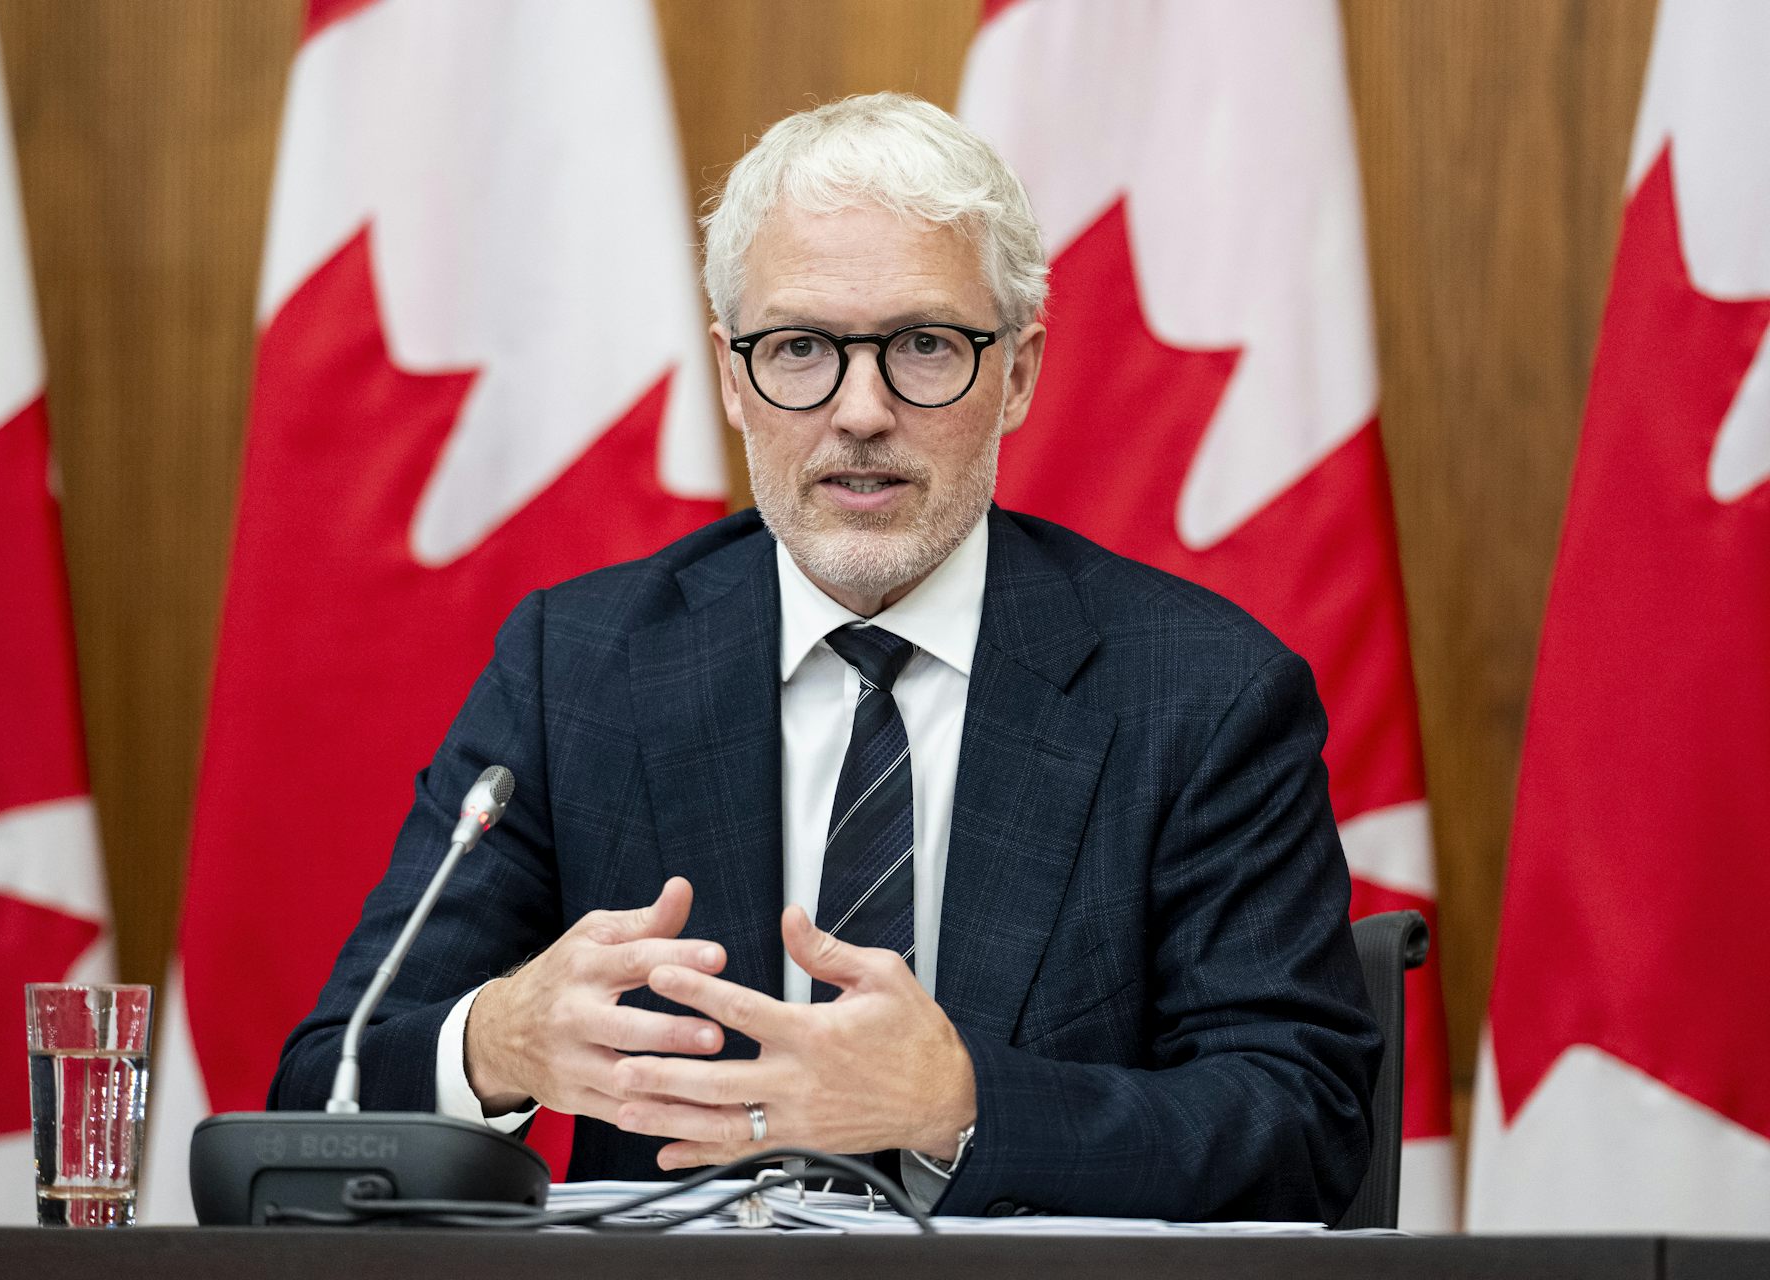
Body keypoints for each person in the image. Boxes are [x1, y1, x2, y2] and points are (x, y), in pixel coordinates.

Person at [271, 92, 1379, 1222]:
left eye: (925, 346)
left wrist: (958, 1104)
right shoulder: (580, 669)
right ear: (731, 376)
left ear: (1018, 374)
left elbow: (1305, 1121)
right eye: (799, 348)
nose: (860, 411)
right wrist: (496, 1042)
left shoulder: (1201, 692)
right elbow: (323, 1086)